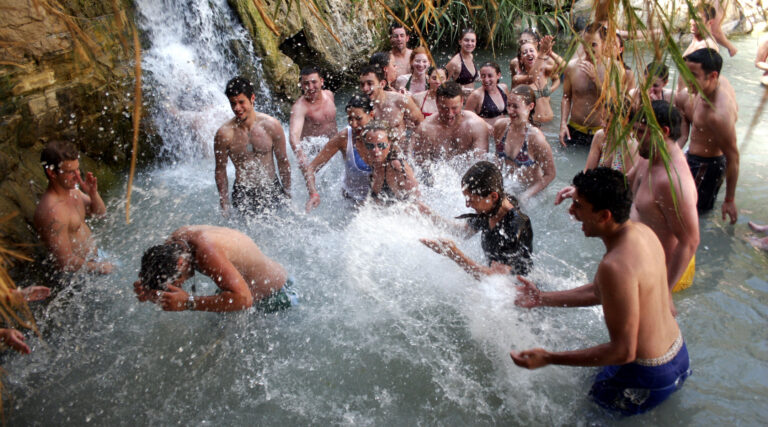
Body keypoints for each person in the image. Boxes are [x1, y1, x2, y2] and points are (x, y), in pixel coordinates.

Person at [512, 167, 691, 416]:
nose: (571, 211)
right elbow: (600, 292)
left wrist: (550, 357)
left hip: (645, 374)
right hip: (679, 355)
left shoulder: (614, 266)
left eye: (579, 206)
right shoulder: (644, 233)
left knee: (588, 416)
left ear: (605, 215)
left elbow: (622, 351)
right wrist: (542, 298)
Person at [133, 225, 296, 313]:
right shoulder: (176, 242)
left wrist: (188, 302)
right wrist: (149, 288)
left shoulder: (205, 251)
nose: (178, 287)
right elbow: (157, 266)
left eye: (176, 282)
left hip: (275, 297)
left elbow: (245, 300)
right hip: (238, 290)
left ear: (181, 263)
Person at [420, 161, 533, 278]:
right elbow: (463, 232)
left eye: (471, 200)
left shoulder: (516, 225)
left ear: (493, 196)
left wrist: (454, 254)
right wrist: (427, 213)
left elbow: (497, 279)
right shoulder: (490, 208)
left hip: (516, 290)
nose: (467, 205)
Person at [674, 48, 739, 222]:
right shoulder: (717, 82)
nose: (687, 80)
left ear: (712, 76)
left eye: (693, 75)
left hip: (707, 166)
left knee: (689, 216)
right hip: (692, 156)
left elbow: (733, 157)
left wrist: (729, 200)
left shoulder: (718, 115)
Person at [214, 76, 291, 217]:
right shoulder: (224, 134)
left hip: (271, 187)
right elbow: (220, 170)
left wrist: (288, 192)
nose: (237, 108)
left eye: (241, 102)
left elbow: (283, 161)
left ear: (252, 98)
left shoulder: (271, 126)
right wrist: (224, 204)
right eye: (233, 103)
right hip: (243, 192)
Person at [33, 140, 112, 274]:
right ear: (52, 173)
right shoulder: (53, 212)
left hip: (96, 259)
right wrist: (100, 268)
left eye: (77, 169)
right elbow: (65, 262)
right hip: (77, 278)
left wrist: (93, 193)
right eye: (70, 171)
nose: (77, 176)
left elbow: (100, 214)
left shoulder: (73, 192)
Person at [304, 93, 374, 212]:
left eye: (358, 119)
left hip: (375, 199)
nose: (353, 124)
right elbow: (311, 168)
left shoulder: (383, 137)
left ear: (371, 115)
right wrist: (313, 194)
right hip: (351, 200)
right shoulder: (344, 137)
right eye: (350, 119)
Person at [493, 85, 555, 201]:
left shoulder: (535, 138)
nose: (510, 111)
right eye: (509, 105)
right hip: (507, 186)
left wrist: (524, 196)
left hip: (530, 194)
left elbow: (550, 174)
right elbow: (497, 158)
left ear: (530, 106)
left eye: (515, 106)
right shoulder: (500, 126)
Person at [410, 81, 489, 168]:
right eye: (444, 108)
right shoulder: (426, 129)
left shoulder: (476, 125)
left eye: (454, 108)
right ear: (437, 103)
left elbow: (481, 166)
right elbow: (420, 167)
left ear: (462, 102)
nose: (450, 114)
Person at [560, 23, 609, 147]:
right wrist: (562, 124)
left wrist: (595, 79)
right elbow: (566, 97)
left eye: (593, 45)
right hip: (574, 130)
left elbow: (614, 101)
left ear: (604, 44)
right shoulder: (572, 67)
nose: (588, 49)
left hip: (601, 132)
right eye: (585, 44)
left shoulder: (613, 69)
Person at [358, 64, 424, 148]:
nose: (365, 88)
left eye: (370, 83)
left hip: (400, 150)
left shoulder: (400, 100)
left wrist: (410, 148)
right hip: (376, 152)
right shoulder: (361, 106)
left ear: (382, 84)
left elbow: (421, 123)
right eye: (362, 85)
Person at [288, 67, 338, 175]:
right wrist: (302, 159)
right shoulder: (299, 107)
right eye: (306, 83)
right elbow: (293, 137)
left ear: (321, 81)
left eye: (314, 82)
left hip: (333, 147)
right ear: (301, 85)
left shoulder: (329, 95)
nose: (310, 87)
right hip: (313, 152)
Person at [362, 121, 420, 203]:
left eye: (381, 145)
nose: (375, 150)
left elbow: (417, 200)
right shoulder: (372, 162)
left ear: (390, 143)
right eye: (370, 146)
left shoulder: (396, 165)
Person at [511, 35, 562, 125]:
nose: (529, 54)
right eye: (524, 52)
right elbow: (531, 78)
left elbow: (563, 71)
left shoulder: (544, 71)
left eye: (531, 51)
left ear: (537, 54)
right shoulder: (518, 79)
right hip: (533, 125)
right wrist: (542, 53)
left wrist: (550, 52)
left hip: (551, 124)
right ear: (521, 60)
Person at [584, 99, 638, 174]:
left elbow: (625, 183)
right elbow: (587, 173)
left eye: (608, 120)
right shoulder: (600, 136)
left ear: (624, 121)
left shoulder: (631, 145)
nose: (602, 124)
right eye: (602, 118)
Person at [678, 4, 721, 92]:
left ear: (710, 22)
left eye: (698, 19)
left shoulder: (707, 47)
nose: (692, 22)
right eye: (692, 18)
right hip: (683, 96)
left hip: (690, 98)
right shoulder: (696, 40)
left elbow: (705, 82)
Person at [464, 62, 508, 129]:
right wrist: (485, 125)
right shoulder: (476, 95)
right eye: (483, 76)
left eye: (490, 76)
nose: (486, 80)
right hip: (488, 135)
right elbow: (465, 117)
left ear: (498, 75)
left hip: (504, 131)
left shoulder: (504, 88)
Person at [446, 28, 479, 93]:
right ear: (460, 42)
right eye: (466, 40)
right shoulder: (454, 63)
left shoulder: (471, 56)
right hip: (461, 101)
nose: (469, 43)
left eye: (472, 41)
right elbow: (442, 84)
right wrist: (460, 89)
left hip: (472, 99)